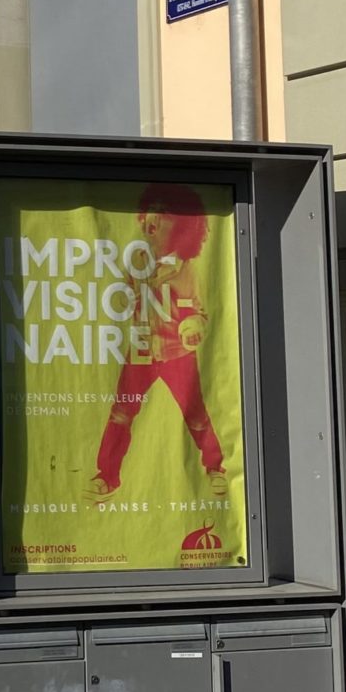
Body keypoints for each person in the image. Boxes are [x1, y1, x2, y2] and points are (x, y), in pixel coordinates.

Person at [83, 183, 228, 502]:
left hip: (177, 354)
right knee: (121, 412)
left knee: (195, 414)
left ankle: (215, 466)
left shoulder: (187, 271)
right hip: (141, 350)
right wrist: (121, 298)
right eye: (149, 214)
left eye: (162, 214)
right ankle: (107, 475)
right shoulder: (137, 262)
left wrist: (191, 326)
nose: (152, 221)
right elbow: (120, 297)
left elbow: (200, 312)